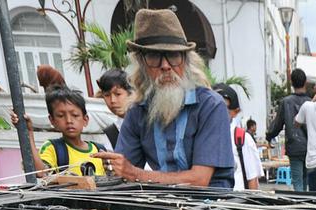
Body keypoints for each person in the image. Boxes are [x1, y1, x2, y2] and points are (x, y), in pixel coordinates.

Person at [96, 9, 234, 188]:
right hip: (163, 207)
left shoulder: (210, 105)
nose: (165, 66)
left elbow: (199, 180)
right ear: (142, 64)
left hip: (210, 209)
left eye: (173, 55)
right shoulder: (138, 112)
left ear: (185, 60)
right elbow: (123, 173)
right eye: (154, 56)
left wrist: (135, 174)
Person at [15, 87, 106, 177]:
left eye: (75, 115)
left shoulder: (99, 150)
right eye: (61, 115)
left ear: (85, 119)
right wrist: (28, 133)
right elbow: (41, 172)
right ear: (52, 121)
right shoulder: (52, 148)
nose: (69, 120)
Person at [267, 68, 311, 191]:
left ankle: (300, 206)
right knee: (306, 180)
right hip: (310, 146)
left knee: (297, 181)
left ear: (292, 82)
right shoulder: (311, 102)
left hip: (294, 146)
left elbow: (277, 124)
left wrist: (269, 136)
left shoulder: (286, 102)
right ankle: (308, 205)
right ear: (305, 82)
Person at [214, 83, 261, 190]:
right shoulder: (201, 136)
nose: (215, 112)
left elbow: (252, 179)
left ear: (236, 112)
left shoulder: (242, 138)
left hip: (236, 201)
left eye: (222, 108)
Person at [96, 68, 134, 148]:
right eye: (107, 95)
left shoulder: (147, 124)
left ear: (130, 94)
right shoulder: (111, 133)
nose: (112, 100)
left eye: (118, 94)